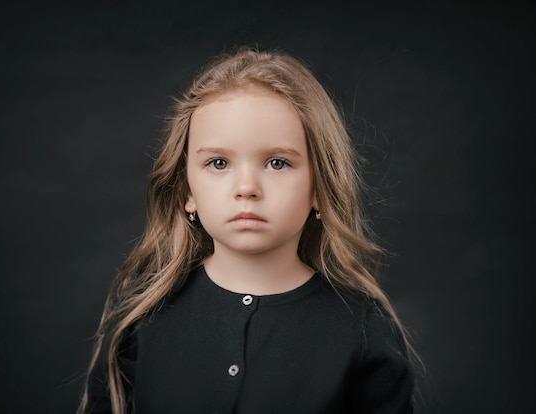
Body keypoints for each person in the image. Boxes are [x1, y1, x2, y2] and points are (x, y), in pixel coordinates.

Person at [78, 47, 416, 414]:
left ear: (319, 187)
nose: (247, 187)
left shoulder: (363, 329)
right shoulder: (141, 314)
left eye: (277, 162)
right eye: (218, 163)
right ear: (186, 190)